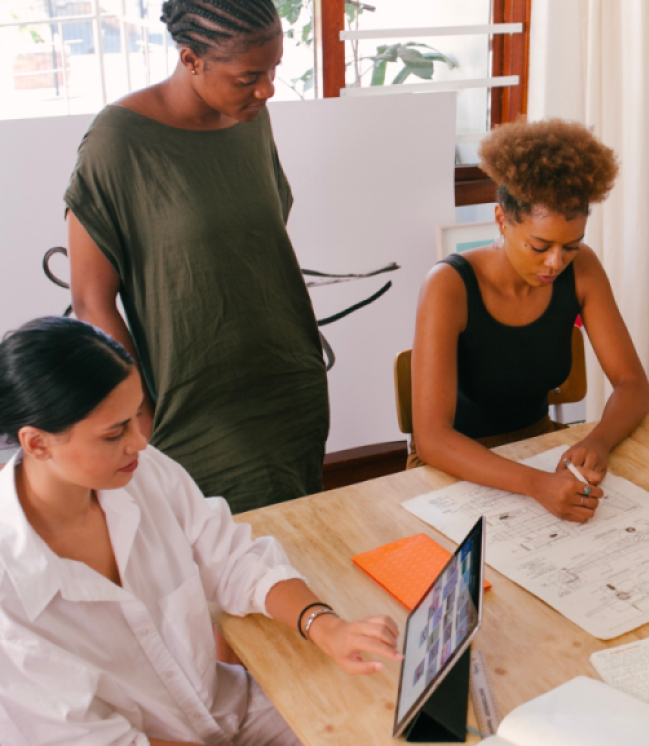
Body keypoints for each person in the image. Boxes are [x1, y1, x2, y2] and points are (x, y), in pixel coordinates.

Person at [0, 317, 401, 746]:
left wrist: (325, 626)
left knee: (386, 718)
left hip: (233, 711)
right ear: (37, 443)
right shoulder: (10, 588)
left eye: (136, 416)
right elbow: (90, 737)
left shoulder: (142, 471)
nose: (139, 442)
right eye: (114, 433)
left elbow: (231, 559)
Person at [66, 0, 328, 513]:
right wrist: (140, 413)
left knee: (299, 547)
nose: (267, 89)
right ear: (191, 60)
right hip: (193, 403)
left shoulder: (249, 116)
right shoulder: (118, 142)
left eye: (274, 69)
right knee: (220, 565)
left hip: (288, 382)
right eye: (249, 75)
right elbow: (91, 300)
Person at [410, 119, 649, 523]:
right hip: (455, 467)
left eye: (570, 247)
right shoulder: (448, 285)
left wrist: (599, 440)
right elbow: (432, 440)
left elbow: (633, 384)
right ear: (502, 220)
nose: (555, 263)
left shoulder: (583, 269)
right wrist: (537, 485)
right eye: (539, 247)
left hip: (538, 450)